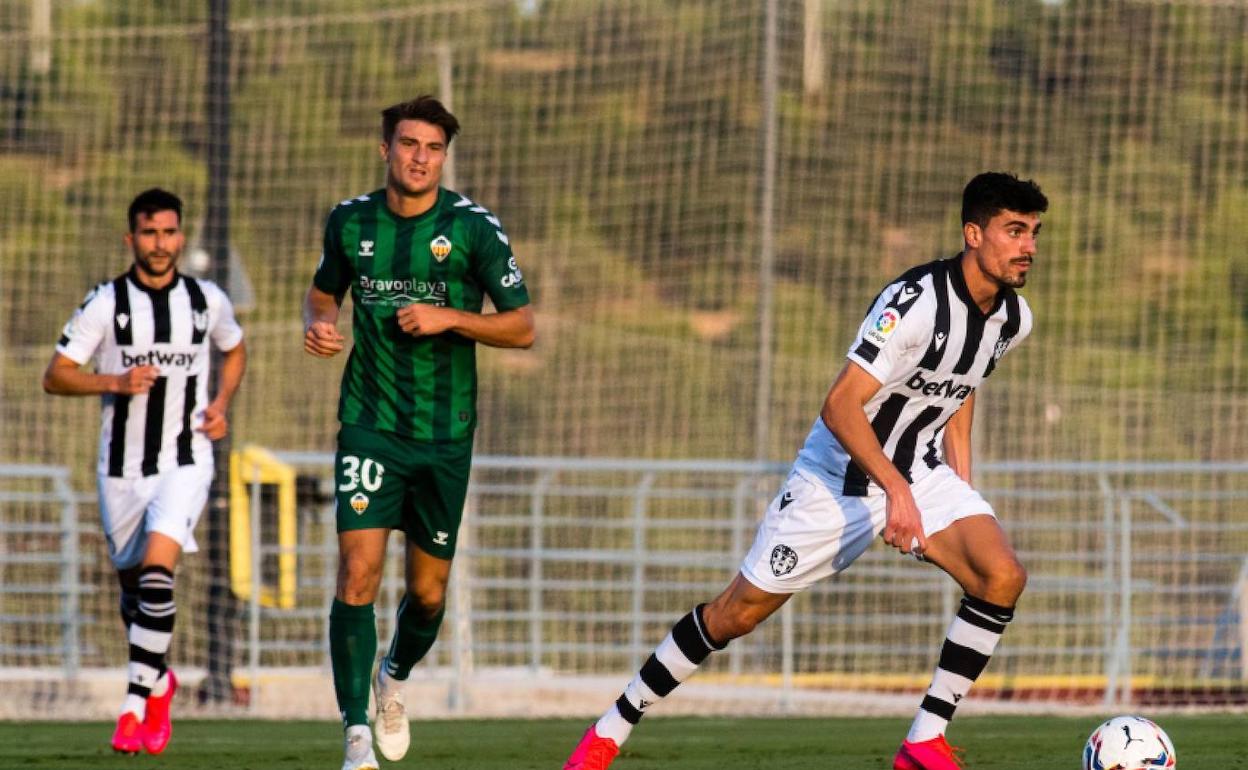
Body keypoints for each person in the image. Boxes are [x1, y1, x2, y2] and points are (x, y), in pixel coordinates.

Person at [563, 172, 1048, 770]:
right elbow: (840, 403)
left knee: (1002, 576)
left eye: (1033, 234)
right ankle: (609, 730)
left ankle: (923, 741)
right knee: (733, 614)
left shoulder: (1013, 319)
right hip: (837, 478)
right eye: (1014, 231)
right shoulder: (917, 301)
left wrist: (959, 482)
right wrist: (896, 493)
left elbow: (962, 385)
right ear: (974, 234)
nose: (1027, 246)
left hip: (919, 472)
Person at [303, 95, 535, 770]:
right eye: (408, 144)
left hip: (444, 434)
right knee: (357, 572)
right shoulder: (350, 222)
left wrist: (450, 318)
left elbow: (522, 327)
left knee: (428, 592)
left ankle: (393, 680)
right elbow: (325, 290)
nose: (420, 158)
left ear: (443, 156)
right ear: (386, 149)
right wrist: (317, 321)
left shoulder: (472, 230)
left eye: (433, 148)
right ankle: (353, 738)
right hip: (369, 424)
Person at [43, 188, 247, 755]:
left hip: (185, 460)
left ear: (181, 237)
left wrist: (221, 404)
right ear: (131, 239)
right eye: (150, 233)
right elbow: (56, 375)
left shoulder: (207, 300)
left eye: (170, 232)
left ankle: (132, 708)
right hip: (120, 469)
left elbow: (235, 348)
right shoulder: (106, 303)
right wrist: (114, 381)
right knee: (135, 597)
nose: (161, 244)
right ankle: (157, 681)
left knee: (160, 574)